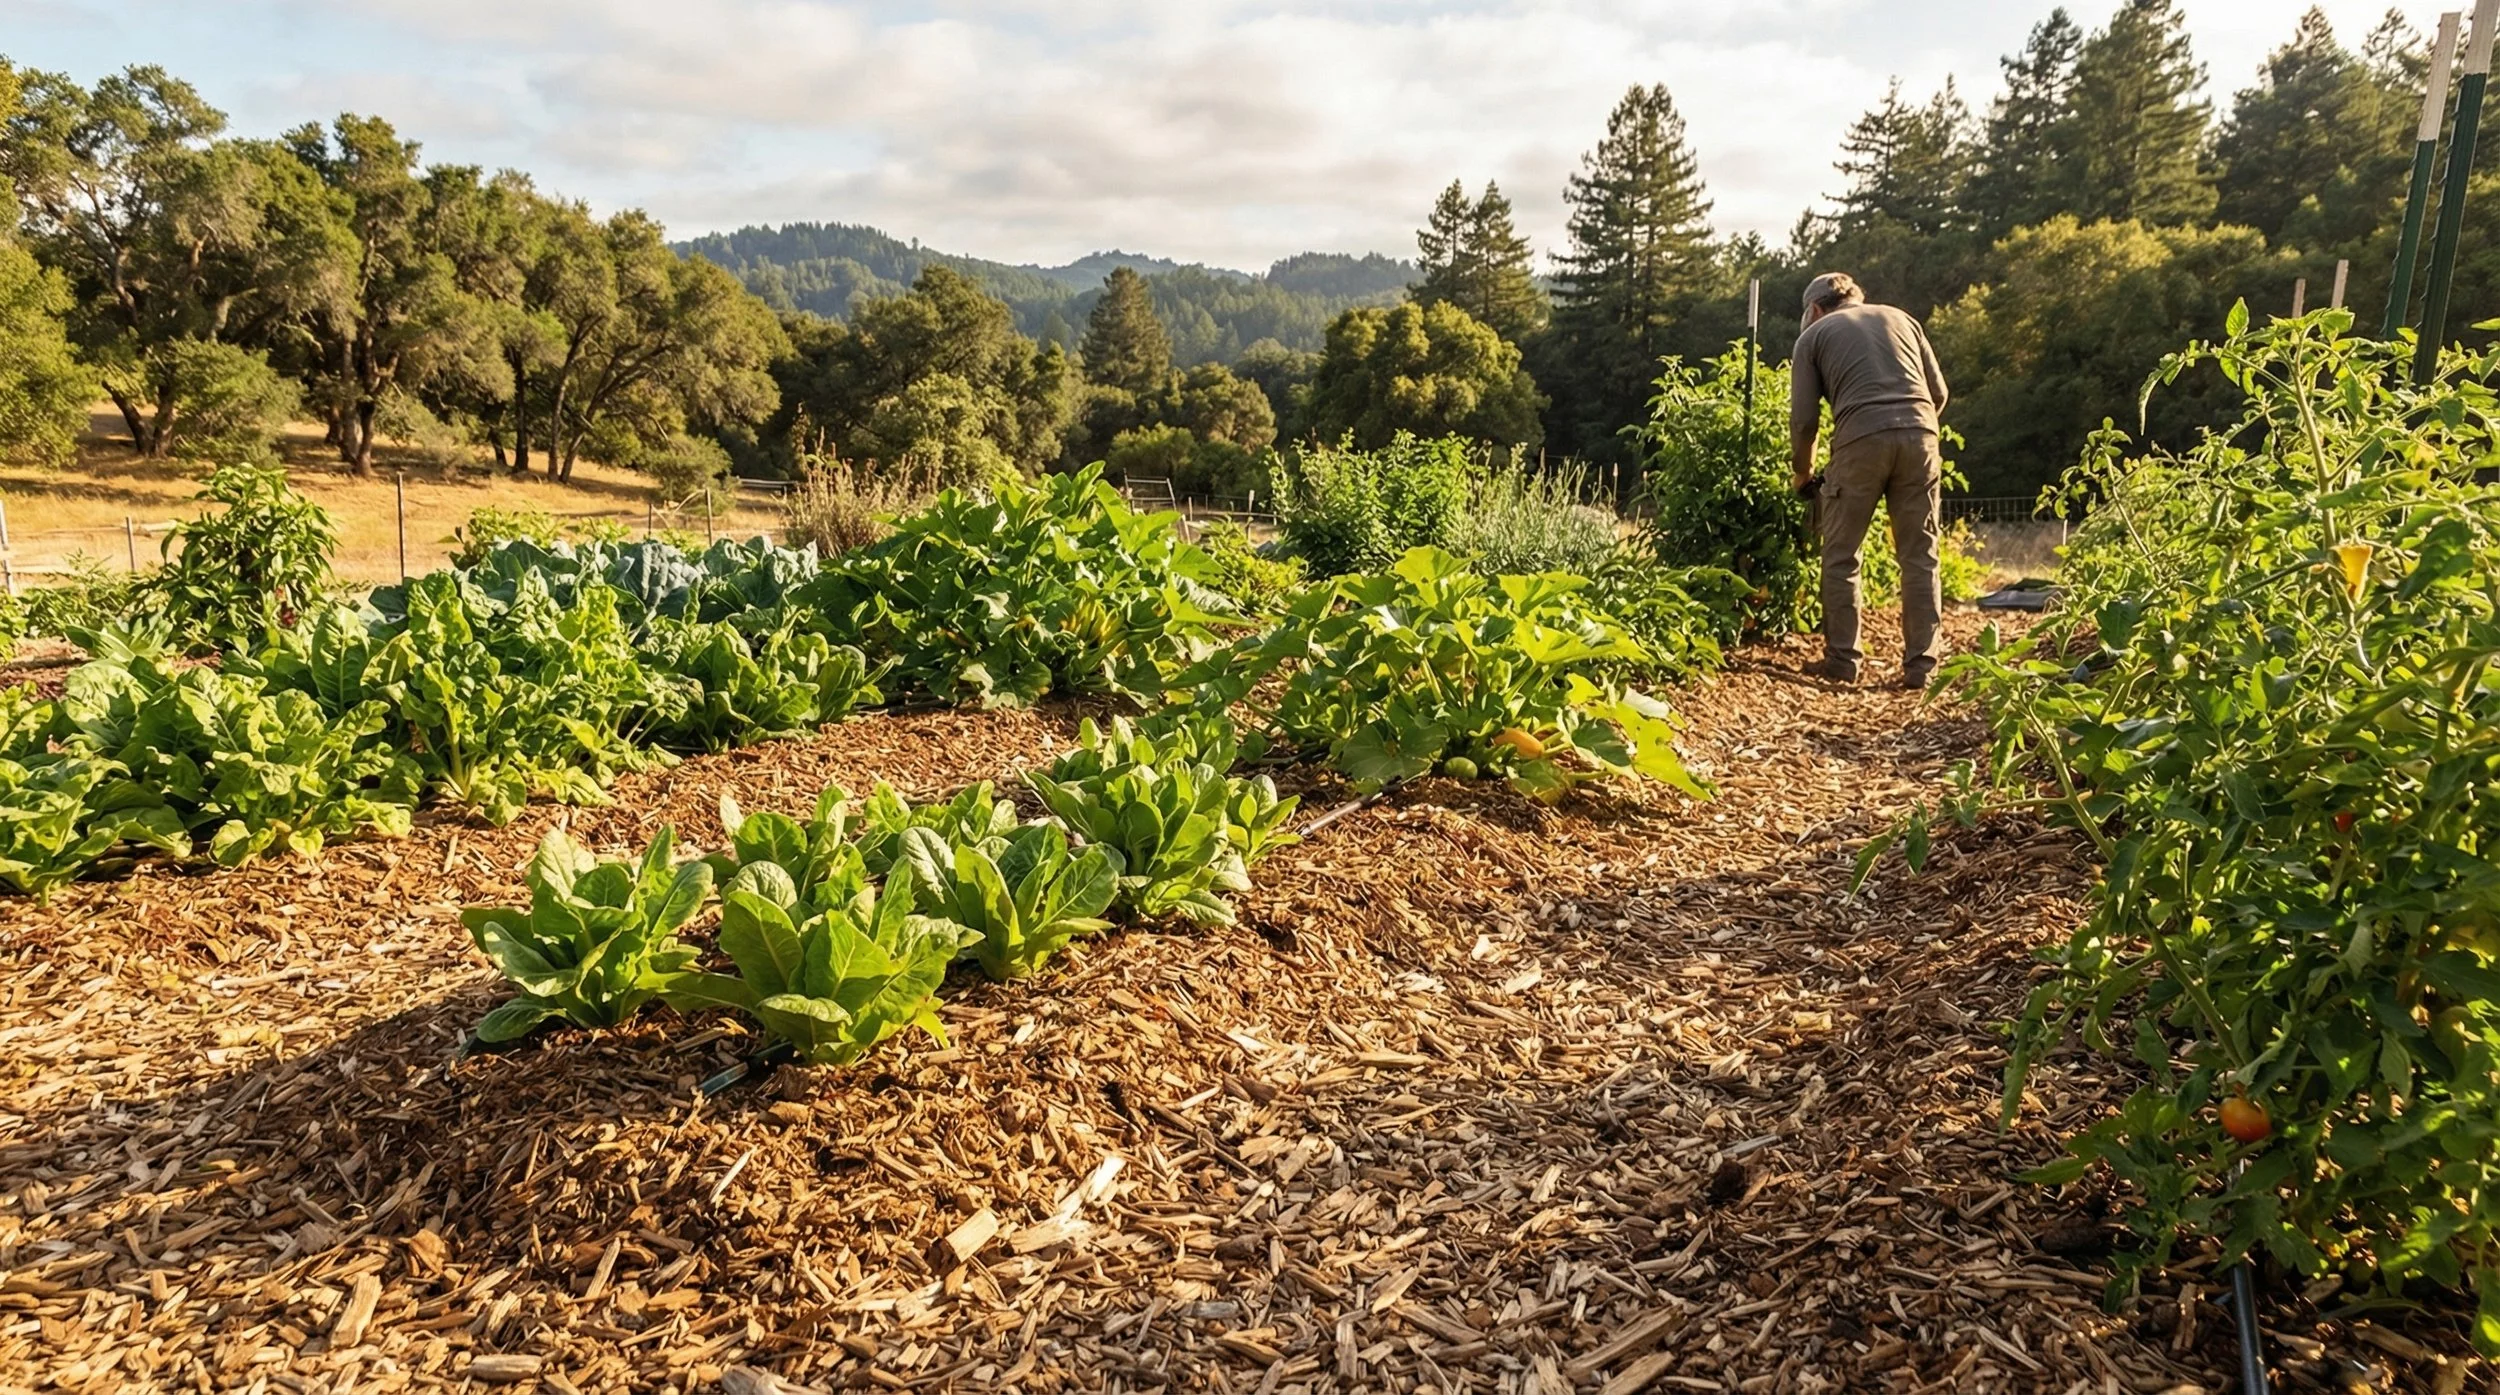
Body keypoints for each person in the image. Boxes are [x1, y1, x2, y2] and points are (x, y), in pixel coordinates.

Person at [1788, 271, 1951, 690]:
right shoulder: (1902, 318)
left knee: (1842, 555)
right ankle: (1922, 666)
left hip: (1859, 439)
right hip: (1921, 435)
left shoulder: (1813, 336)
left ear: (1815, 309)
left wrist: (1803, 473)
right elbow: (1939, 394)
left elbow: (1805, 421)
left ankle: (1843, 661)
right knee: (1920, 554)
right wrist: (1912, 431)